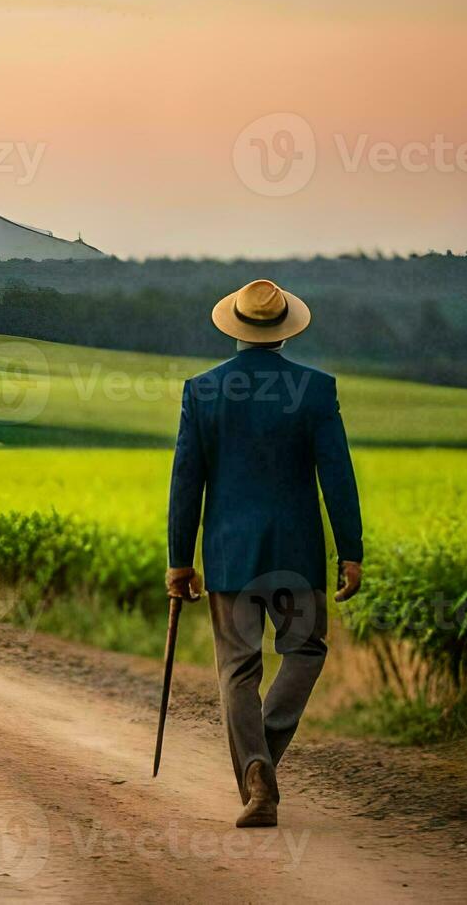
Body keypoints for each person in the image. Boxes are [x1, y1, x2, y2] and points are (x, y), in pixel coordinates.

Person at [166, 279, 363, 829]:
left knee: (237, 670)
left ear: (234, 326)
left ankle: (256, 774)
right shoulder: (317, 390)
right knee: (305, 652)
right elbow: (338, 477)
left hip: (231, 557)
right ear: (283, 329)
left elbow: (186, 481)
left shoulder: (201, 391)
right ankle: (264, 760)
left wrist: (180, 561)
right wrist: (351, 550)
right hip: (297, 554)